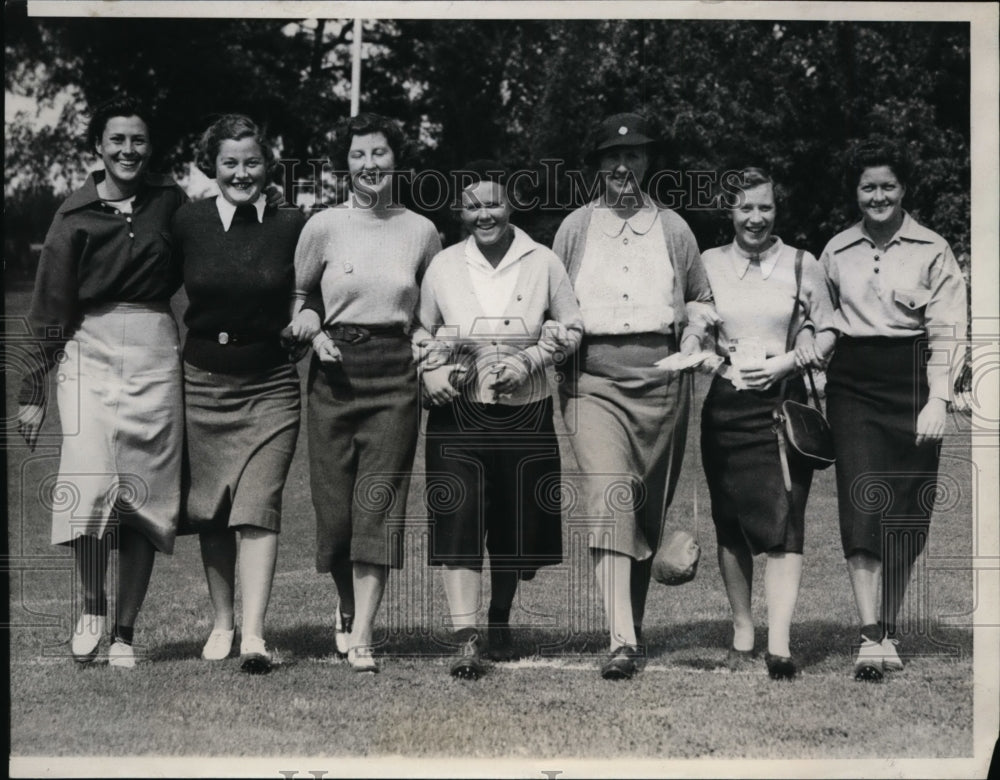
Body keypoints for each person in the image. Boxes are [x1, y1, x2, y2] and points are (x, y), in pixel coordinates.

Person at [15, 95, 187, 668]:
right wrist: (33, 391)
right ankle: (91, 605)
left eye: (137, 140)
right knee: (89, 486)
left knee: (141, 495)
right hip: (87, 353)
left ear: (150, 147)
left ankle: (125, 632)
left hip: (155, 351)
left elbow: (210, 265)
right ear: (98, 147)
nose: (128, 150)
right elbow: (49, 307)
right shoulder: (73, 215)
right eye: (117, 140)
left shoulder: (170, 203)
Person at [552, 113, 715, 680]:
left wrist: (696, 330)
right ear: (596, 165)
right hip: (592, 381)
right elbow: (556, 303)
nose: (623, 167)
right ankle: (620, 638)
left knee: (645, 508)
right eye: (612, 158)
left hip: (663, 381)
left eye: (636, 157)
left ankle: (633, 627)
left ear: (649, 162)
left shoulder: (674, 228)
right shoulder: (574, 227)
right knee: (610, 494)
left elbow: (698, 296)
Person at [287, 113, 442, 673]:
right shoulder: (323, 226)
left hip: (394, 374)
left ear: (395, 159)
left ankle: (365, 635)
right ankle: (347, 606)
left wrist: (427, 348)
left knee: (378, 504)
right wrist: (315, 331)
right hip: (333, 373)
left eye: (379, 153)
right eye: (359, 155)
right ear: (344, 163)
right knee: (335, 514)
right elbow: (302, 296)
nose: (369, 165)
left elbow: (428, 311)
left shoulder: (422, 231)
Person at [416, 161, 584, 679]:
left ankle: (499, 618)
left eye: (493, 203)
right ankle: (466, 637)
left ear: (511, 205)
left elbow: (572, 326)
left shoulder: (544, 260)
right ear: (460, 212)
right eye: (473, 205)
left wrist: (529, 361)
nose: (484, 214)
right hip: (458, 415)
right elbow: (421, 331)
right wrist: (430, 373)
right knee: (459, 520)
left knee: (514, 527)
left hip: (525, 412)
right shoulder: (443, 265)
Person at [812, 138, 967, 682]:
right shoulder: (834, 251)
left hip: (914, 382)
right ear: (855, 192)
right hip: (853, 382)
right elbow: (822, 323)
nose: (878, 196)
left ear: (904, 190)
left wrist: (938, 400)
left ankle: (889, 625)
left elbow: (949, 330)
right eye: (867, 186)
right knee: (863, 505)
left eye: (888, 186)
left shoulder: (933, 249)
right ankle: (869, 635)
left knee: (907, 516)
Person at [171, 115, 305, 674]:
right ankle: (222, 622)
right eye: (230, 162)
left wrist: (308, 317)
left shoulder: (293, 223)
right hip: (202, 385)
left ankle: (254, 634)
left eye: (252, 162)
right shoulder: (188, 222)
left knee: (258, 507)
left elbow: (313, 285)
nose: (241, 173)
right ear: (213, 165)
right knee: (214, 510)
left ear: (266, 165)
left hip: (271, 385)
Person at [699, 167, 836, 680]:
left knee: (785, 519)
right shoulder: (708, 263)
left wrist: (789, 361)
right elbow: (696, 328)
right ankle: (742, 630)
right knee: (730, 521)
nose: (755, 218)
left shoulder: (804, 263)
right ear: (728, 211)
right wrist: (707, 352)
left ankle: (780, 644)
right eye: (744, 208)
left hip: (781, 405)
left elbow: (827, 332)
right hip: (726, 407)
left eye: (765, 207)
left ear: (777, 208)